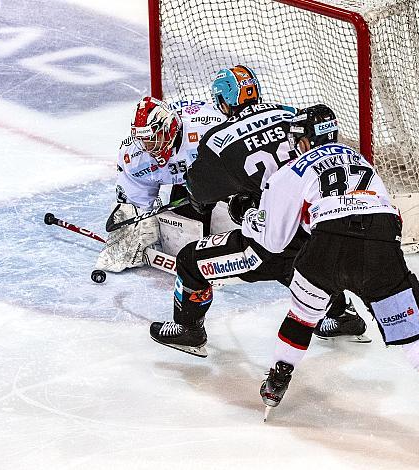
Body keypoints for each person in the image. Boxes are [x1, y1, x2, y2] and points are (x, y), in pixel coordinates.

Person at [240, 104, 419, 466]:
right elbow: (387, 214)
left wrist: (248, 215)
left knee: (302, 316)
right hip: (379, 248)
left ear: (302, 140)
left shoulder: (291, 170)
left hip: (326, 248)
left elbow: (273, 241)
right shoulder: (359, 159)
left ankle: (277, 380)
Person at [149, 66, 367, 355]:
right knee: (301, 265)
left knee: (191, 261)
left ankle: (189, 330)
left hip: (274, 239)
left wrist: (232, 199)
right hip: (324, 231)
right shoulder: (291, 113)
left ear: (224, 102)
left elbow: (198, 193)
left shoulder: (217, 139)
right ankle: (341, 315)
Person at [95, 96, 225, 273]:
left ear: (169, 127)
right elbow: (135, 204)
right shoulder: (133, 157)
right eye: (144, 140)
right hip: (188, 185)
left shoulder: (209, 129)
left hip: (222, 177)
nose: (148, 147)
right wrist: (134, 229)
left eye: (153, 138)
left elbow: (243, 163)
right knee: (186, 242)